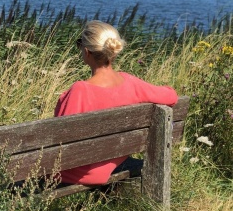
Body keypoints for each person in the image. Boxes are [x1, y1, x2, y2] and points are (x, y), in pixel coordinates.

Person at [54, 20, 178, 185]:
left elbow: (60, 141)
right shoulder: (130, 82)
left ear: (86, 51)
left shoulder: (80, 90)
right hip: (109, 165)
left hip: (78, 172)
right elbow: (171, 96)